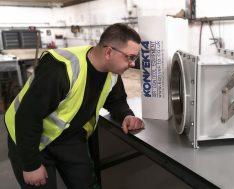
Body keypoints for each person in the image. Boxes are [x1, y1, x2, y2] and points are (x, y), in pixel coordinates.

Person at [5, 23, 144, 189]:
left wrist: (126, 115)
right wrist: (31, 165)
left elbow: (116, 100)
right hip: (31, 140)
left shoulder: (112, 72)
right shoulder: (60, 70)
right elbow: (27, 117)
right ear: (108, 52)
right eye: (130, 57)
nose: (133, 64)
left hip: (70, 138)